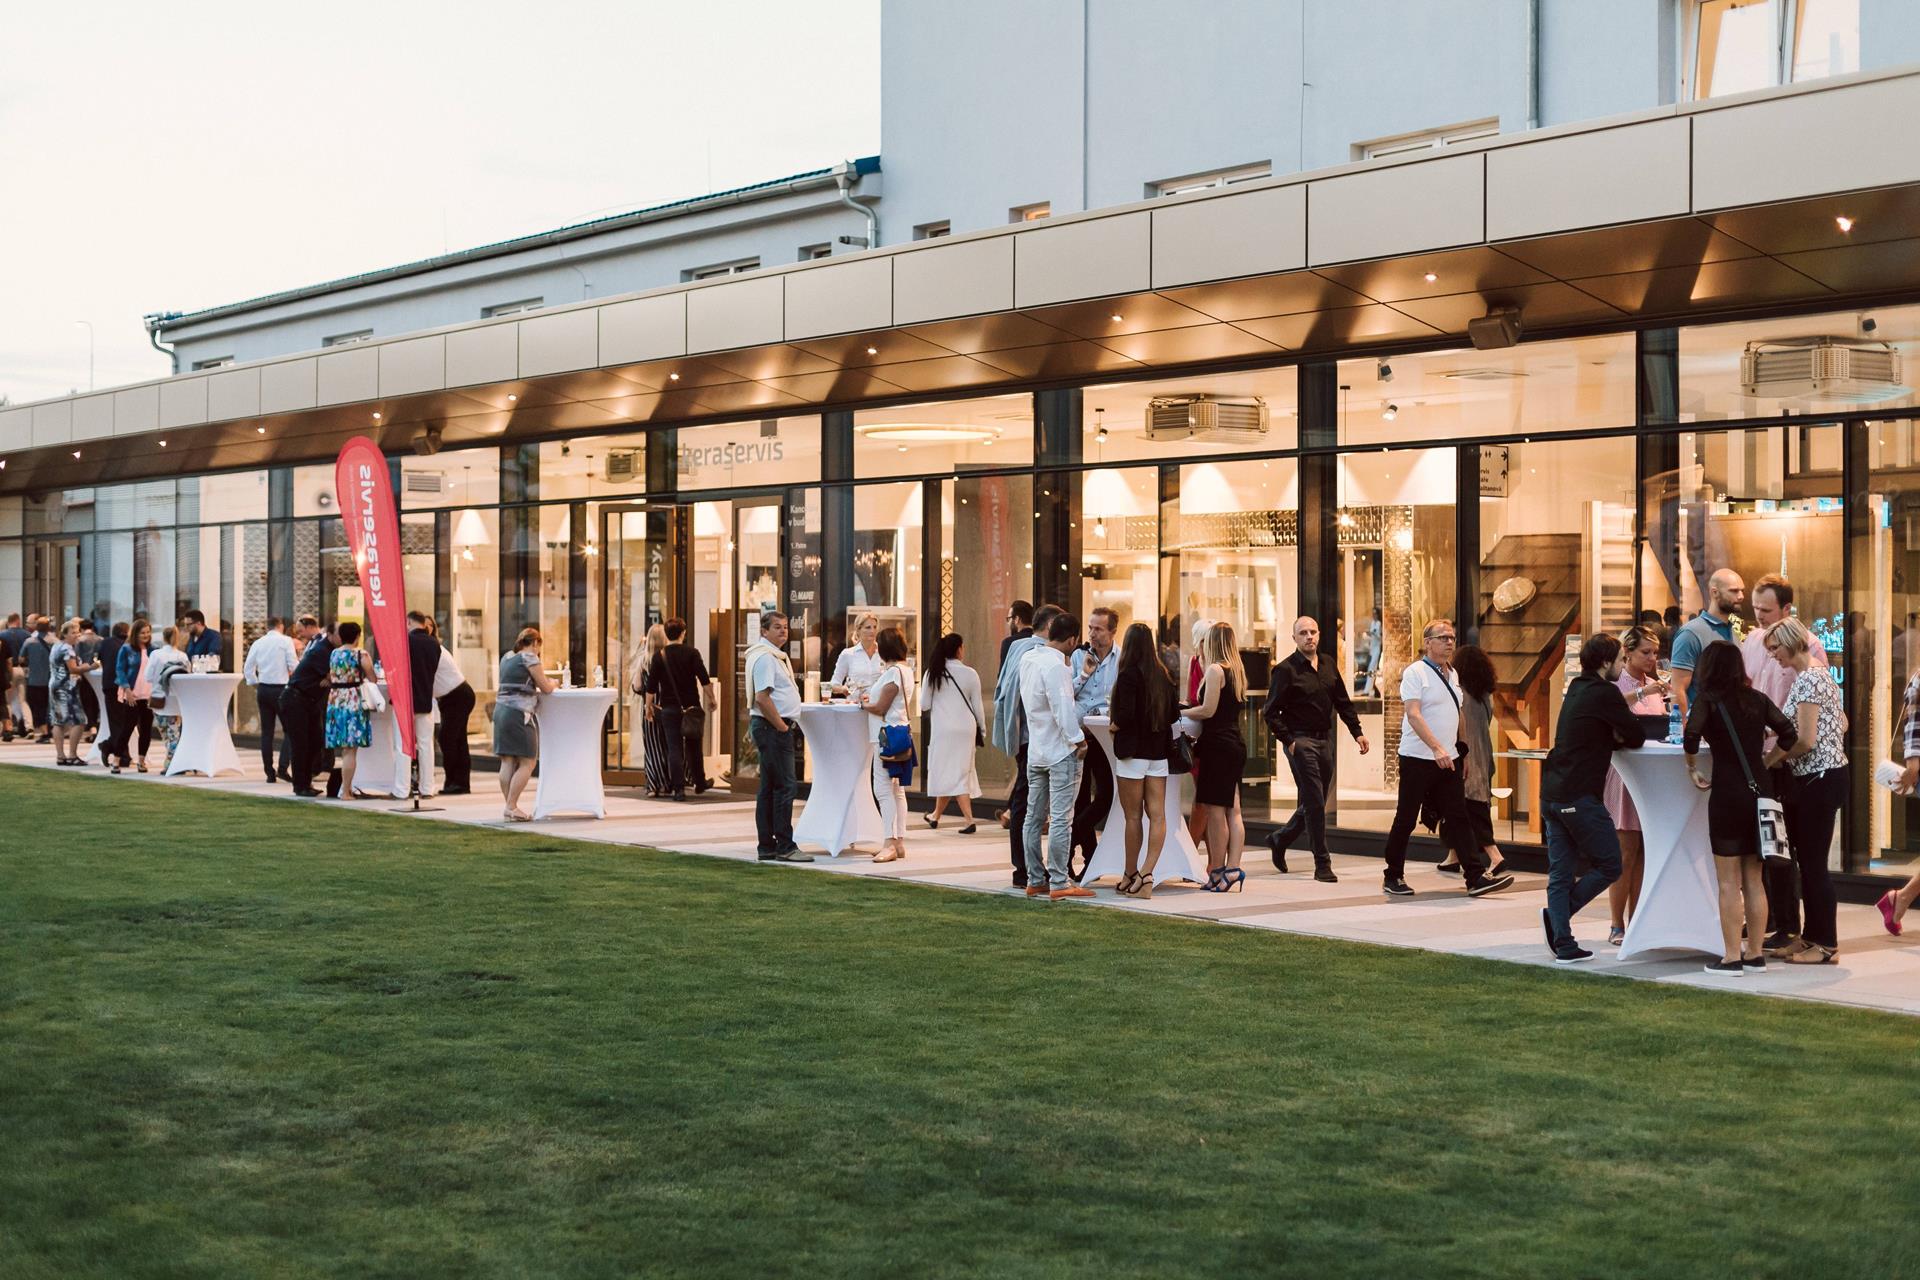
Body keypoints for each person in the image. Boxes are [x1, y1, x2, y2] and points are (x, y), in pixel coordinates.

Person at [1683, 639, 1797, 976]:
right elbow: (1789, 733)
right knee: (1755, 880)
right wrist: (1769, 760)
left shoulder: (1708, 700)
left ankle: (1732, 956)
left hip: (1727, 794)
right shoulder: (1757, 699)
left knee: (1728, 883)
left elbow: (1691, 737)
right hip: (1760, 792)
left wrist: (1692, 768)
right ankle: (1755, 954)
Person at [1380, 620, 1515, 899]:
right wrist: (1436, 748)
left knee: (1458, 816)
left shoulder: (1452, 673)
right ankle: (1393, 875)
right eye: (1443, 638)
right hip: (1418, 757)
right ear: (1428, 642)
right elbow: (1413, 714)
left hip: (1449, 759)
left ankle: (1475, 877)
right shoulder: (1416, 672)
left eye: (1452, 637)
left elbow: (1459, 713)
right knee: (1406, 818)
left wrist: (1462, 751)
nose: (1449, 642)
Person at [1539, 633, 1648, 963]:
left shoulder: (1577, 687)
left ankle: (1564, 943)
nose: (1622, 666)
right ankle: (1558, 919)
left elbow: (1591, 731)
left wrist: (1609, 736)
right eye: (1620, 660)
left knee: (1561, 872)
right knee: (1611, 863)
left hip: (1552, 792)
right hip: (1579, 795)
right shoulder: (1605, 692)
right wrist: (1615, 736)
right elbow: (1635, 734)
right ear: (1605, 662)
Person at [1741, 574, 1829, 952]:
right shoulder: (1751, 641)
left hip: (1791, 758)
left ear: (1786, 609)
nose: (1759, 616)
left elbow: (1814, 718)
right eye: (1755, 608)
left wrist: (1780, 753)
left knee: (1787, 844)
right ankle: (1771, 916)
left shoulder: (1810, 649)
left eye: (1766, 609)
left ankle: (1792, 926)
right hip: (1763, 754)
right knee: (1766, 840)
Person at [1263, 615, 1370, 882]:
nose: (1309, 636)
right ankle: (1322, 863)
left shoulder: (1328, 664)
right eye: (1303, 633)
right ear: (1294, 638)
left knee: (1314, 801)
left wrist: (1357, 732)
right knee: (1314, 802)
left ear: (1319, 634)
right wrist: (1289, 741)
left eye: (1313, 632)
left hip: (1325, 741)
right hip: (1301, 742)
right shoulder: (1285, 670)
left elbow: (1342, 701)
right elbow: (1270, 712)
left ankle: (1280, 838)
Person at [1766, 618, 1846, 964]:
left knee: (1813, 865)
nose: (1773, 656)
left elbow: (1805, 740)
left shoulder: (1810, 678)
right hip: (1816, 777)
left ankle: (1826, 944)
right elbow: (1842, 722)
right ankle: (1810, 937)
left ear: (1790, 642)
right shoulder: (1815, 676)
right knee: (1807, 863)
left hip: (1819, 779)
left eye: (1775, 649)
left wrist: (1770, 760)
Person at [1603, 625, 1671, 945]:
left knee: (1645, 850)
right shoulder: (1618, 683)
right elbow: (1613, 709)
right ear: (1627, 652)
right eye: (1645, 652)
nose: (1651, 658)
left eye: (1655, 652)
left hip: (1651, 775)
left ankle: (1638, 919)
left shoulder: (1653, 684)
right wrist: (1647, 692)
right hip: (1624, 774)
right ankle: (1616, 923)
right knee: (1625, 851)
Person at [1019, 611, 1092, 900]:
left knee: (1033, 817)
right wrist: (1078, 740)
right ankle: (1059, 881)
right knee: (1062, 818)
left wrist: (1082, 675)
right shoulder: (1057, 667)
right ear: (1072, 640)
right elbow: (1063, 708)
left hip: (1036, 748)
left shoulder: (1029, 659)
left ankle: (1035, 878)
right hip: (1060, 751)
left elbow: (1046, 699)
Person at [993, 602, 1064, 887]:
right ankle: (1026, 870)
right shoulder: (1037, 652)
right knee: (1028, 805)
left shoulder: (1016, 648)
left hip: (1023, 736)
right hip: (1034, 737)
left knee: (1026, 803)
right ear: (1050, 626)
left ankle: (1027, 869)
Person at [1108, 621, 1176, 898]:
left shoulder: (1128, 675)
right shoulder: (1163, 675)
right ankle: (1146, 872)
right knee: (1158, 815)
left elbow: (1125, 715)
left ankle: (1131, 873)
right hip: (1158, 753)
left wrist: (1114, 726)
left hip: (1132, 754)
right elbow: (1173, 715)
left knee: (1133, 816)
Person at [1183, 620, 1249, 892]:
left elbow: (1207, 710)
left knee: (1216, 811)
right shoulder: (1237, 670)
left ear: (1212, 642)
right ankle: (1233, 869)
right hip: (1234, 743)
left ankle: (1218, 870)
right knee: (1234, 810)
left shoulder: (1214, 669)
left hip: (1217, 745)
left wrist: (1179, 712)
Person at [1437, 643, 1508, 881]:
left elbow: (1455, 727)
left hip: (1466, 757)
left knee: (1469, 809)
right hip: (1484, 756)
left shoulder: (1460, 696)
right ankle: (1453, 857)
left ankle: (1495, 856)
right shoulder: (1485, 696)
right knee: (1456, 807)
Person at [746, 610, 811, 861]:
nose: (783, 631)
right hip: (772, 727)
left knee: (770, 787)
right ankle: (785, 846)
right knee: (785, 786)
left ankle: (767, 845)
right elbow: (762, 698)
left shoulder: (773, 655)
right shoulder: (766, 658)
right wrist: (782, 727)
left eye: (785, 626)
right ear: (764, 631)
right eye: (777, 627)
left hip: (770, 727)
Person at [1068, 606, 1121, 872]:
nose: (1092, 634)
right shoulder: (1078, 656)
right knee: (1079, 800)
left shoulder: (1121, 659)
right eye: (1090, 628)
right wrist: (1083, 675)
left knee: (1106, 795)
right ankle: (1088, 860)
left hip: (1104, 736)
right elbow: (1066, 692)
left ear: (1112, 631)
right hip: (1079, 735)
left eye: (1098, 629)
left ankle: (1069, 842)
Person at [862, 626, 916, 863]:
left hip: (885, 736)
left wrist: (863, 704)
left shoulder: (893, 672)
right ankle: (898, 842)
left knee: (883, 789)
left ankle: (889, 842)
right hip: (899, 732)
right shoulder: (906, 670)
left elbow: (881, 707)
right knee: (897, 790)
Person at [647, 617, 716, 799]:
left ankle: (678, 790)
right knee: (694, 746)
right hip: (691, 707)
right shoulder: (692, 653)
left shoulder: (660, 656)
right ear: (683, 633)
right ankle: (699, 782)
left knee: (674, 748)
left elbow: (651, 686)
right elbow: (704, 679)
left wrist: (648, 707)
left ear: (666, 634)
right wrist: (712, 699)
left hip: (669, 709)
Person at [493, 626, 557, 821]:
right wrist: (554, 683)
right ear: (535, 643)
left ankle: (510, 807)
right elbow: (545, 688)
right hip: (519, 714)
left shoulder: (506, 657)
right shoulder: (529, 658)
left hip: (500, 711)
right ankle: (511, 806)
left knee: (507, 760)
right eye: (539, 647)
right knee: (528, 761)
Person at [922, 632, 983, 833]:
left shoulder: (933, 673)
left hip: (943, 730)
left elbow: (924, 704)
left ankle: (969, 820)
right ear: (958, 649)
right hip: (966, 729)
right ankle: (935, 816)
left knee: (949, 772)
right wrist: (982, 729)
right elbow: (978, 707)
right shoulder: (970, 674)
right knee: (956, 772)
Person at [1668, 568, 1745, 714]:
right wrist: (1683, 727)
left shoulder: (1733, 632)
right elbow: (1677, 689)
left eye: (1742, 590)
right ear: (1714, 592)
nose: (1741, 596)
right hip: (1701, 722)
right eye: (1734, 591)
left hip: (1730, 721)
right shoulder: (1691, 633)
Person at [283, 617, 336, 797]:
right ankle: (301, 785)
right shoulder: (321, 650)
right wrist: (327, 678)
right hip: (296, 699)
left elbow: (329, 678)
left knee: (314, 742)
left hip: (308, 700)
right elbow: (332, 676)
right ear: (330, 635)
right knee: (301, 744)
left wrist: (327, 679)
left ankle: (306, 781)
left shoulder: (326, 649)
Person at [325, 621, 378, 799]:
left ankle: (345, 788)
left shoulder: (334, 653)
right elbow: (372, 678)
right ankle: (346, 791)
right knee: (350, 750)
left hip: (335, 700)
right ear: (357, 636)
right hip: (353, 700)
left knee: (344, 749)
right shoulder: (360, 654)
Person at [242, 616, 298, 783]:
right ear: (281, 626)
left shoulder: (258, 643)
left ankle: (269, 772)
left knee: (267, 732)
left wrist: (255, 683)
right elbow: (293, 665)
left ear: (267, 627)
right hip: (281, 689)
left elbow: (248, 668)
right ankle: (283, 767)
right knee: (290, 729)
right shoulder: (286, 641)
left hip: (264, 688)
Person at [426, 617, 474, 795]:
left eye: (429, 625)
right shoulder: (432, 647)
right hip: (451, 697)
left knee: (448, 739)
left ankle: (456, 782)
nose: (426, 628)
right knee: (456, 740)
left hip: (457, 695)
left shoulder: (434, 648)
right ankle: (458, 783)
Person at [141, 626, 190, 770]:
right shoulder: (182, 656)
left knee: (165, 734)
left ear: (163, 638)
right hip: (176, 700)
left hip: (159, 699)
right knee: (174, 733)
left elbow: (148, 677)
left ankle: (171, 764)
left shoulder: (156, 655)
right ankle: (174, 762)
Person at [47, 618, 94, 765]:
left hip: (54, 685)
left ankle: (60, 756)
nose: (77, 635)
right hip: (66, 687)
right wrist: (90, 667)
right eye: (73, 632)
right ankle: (72, 755)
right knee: (80, 720)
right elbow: (73, 669)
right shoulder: (67, 649)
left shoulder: (56, 646)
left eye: (78, 632)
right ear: (64, 634)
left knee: (58, 721)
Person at [405, 611, 442, 797]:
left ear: (409, 622)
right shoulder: (434, 644)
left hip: (406, 700)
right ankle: (427, 787)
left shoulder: (406, 641)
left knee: (403, 745)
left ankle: (402, 787)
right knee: (426, 745)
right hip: (426, 699)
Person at [111, 619, 154, 773]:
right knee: (127, 728)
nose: (146, 635)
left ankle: (141, 761)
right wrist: (127, 689)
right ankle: (116, 759)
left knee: (146, 729)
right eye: (143, 633)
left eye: (148, 632)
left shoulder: (153, 650)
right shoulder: (126, 649)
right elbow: (120, 669)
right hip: (132, 694)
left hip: (148, 695)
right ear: (135, 634)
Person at [636, 622, 673, 796]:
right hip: (667, 706)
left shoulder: (644, 661)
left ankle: (653, 785)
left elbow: (637, 686)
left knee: (652, 747)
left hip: (649, 708)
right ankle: (668, 783)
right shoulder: (669, 659)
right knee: (667, 745)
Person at [830, 612, 884, 699]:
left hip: (879, 705)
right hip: (856, 704)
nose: (872, 631)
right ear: (858, 630)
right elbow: (833, 685)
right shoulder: (848, 654)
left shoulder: (884, 653)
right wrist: (843, 689)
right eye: (868, 627)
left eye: (875, 627)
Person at [22, 618, 54, 744]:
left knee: (37, 706)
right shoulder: (55, 641)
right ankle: (50, 728)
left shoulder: (29, 642)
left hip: (34, 680)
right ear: (49, 627)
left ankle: (44, 732)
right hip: (51, 679)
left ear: (36, 627)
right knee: (49, 706)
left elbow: (21, 658)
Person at [0, 612, 27, 740]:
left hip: (7, 674)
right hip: (7, 674)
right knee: (8, 702)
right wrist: (9, 677)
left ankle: (8, 728)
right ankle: (11, 728)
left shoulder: (3, 637)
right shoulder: (3, 642)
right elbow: (9, 662)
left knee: (7, 702)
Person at [74, 619, 102, 735]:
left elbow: (76, 656)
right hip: (98, 672)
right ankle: (95, 723)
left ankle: (91, 724)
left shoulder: (79, 640)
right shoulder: (100, 639)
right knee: (96, 699)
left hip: (84, 672)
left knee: (86, 699)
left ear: (81, 628)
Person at [999, 600, 1035, 669]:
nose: (1008, 623)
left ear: (1017, 619)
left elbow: (1004, 673)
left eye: (1009, 619)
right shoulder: (1040, 641)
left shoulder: (1009, 643)